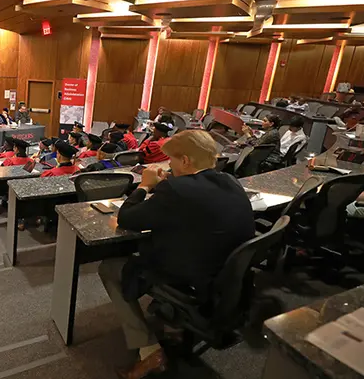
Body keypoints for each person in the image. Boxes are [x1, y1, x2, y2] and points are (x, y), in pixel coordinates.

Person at [99, 130, 254, 377]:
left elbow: (127, 218)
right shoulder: (230, 182)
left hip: (194, 280)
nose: (168, 164)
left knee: (109, 267)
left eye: (171, 160)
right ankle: (175, 325)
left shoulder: (175, 190)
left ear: (185, 161)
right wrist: (167, 187)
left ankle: (149, 350)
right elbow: (194, 206)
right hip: (227, 279)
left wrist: (144, 186)